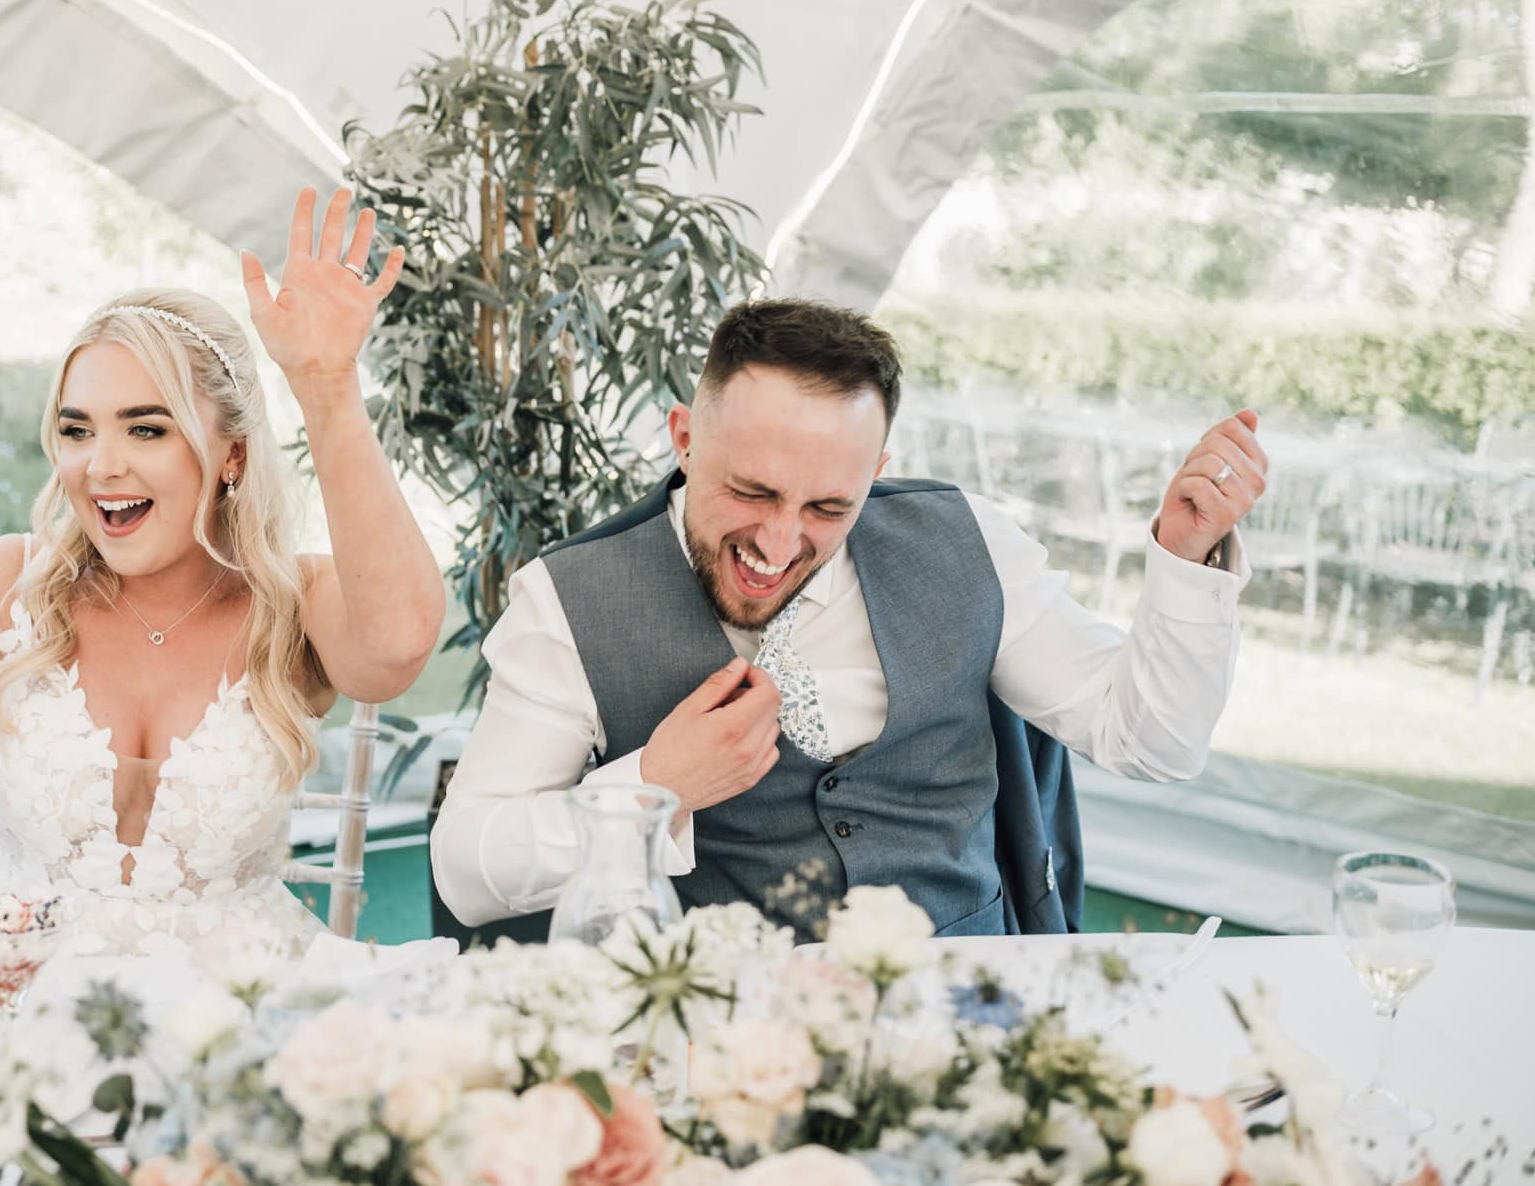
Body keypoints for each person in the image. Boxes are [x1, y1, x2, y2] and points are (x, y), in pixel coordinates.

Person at [430, 298, 1266, 940]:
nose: (779, 539)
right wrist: (657, 787)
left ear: (879, 470)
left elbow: (1153, 742)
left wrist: (1186, 561)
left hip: (975, 1021)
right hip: (716, 1050)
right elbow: (465, 867)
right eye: (751, 491)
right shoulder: (568, 600)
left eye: (829, 504)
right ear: (685, 437)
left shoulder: (968, 542)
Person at [0, 188, 445, 967]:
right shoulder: (8, 584)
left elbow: (397, 646)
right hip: (4, 1004)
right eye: (77, 429)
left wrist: (325, 385)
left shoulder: (296, 602)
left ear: (232, 454)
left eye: (146, 428)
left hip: (232, 1024)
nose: (101, 465)